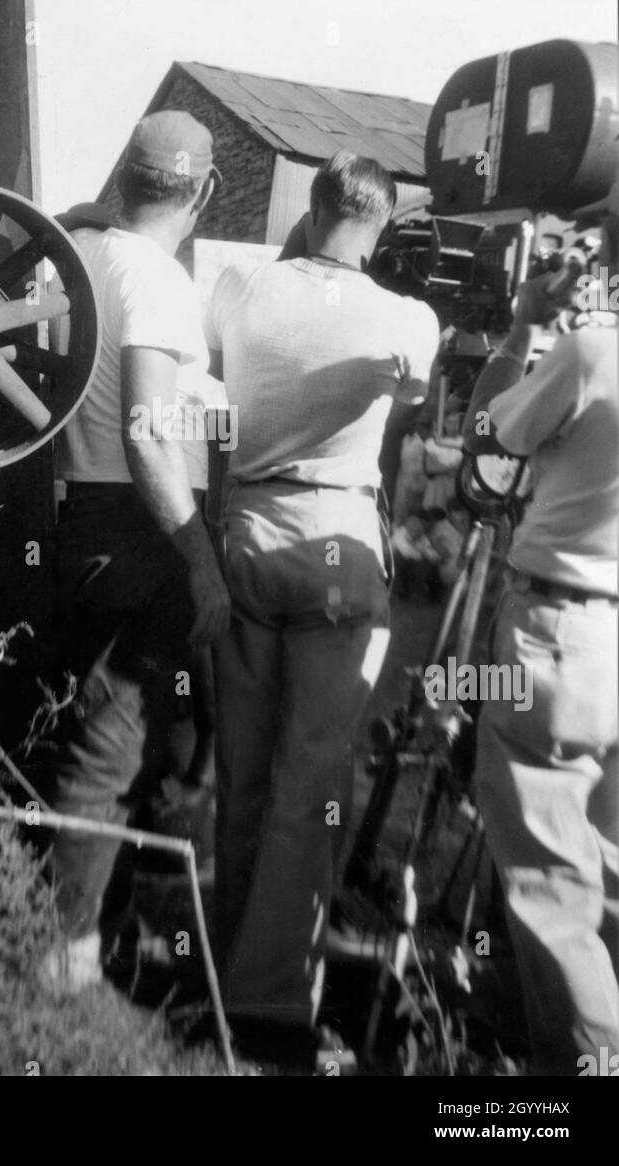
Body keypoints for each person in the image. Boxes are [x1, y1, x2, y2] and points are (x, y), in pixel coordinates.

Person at [204, 151, 440, 1056]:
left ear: (311, 209)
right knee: (313, 784)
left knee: (245, 771)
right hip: (337, 540)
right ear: (380, 226)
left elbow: (222, 373)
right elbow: (410, 407)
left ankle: (226, 952)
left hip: (247, 529)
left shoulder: (237, 286)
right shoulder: (406, 318)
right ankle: (265, 1002)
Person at [41, 110, 230, 992]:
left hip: (77, 514)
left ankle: (120, 921)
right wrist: (197, 556)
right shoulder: (156, 278)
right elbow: (151, 434)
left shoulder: (79, 254)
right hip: (140, 529)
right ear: (203, 190)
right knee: (109, 748)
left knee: (137, 733)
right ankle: (64, 960)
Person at [463, 227, 619, 1076]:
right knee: (613, 871)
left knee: (554, 892)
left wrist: (525, 327)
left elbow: (493, 446)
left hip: (563, 634)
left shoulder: (593, 353)